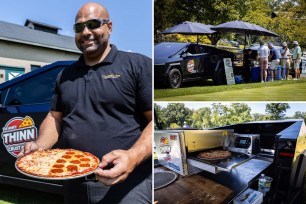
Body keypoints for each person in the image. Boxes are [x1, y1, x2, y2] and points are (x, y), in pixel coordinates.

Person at [18, 2, 152, 204]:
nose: (86, 32)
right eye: (79, 27)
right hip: (74, 179)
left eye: (93, 24)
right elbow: (55, 118)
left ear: (110, 26)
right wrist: (39, 147)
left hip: (128, 183)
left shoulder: (138, 64)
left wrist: (132, 157)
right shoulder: (65, 75)